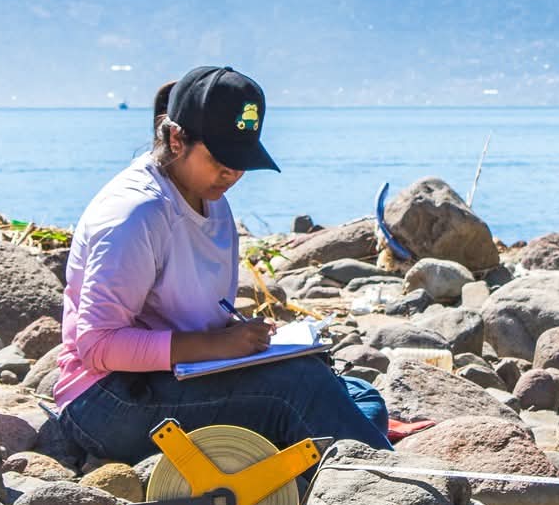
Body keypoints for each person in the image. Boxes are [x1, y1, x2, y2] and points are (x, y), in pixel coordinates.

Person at [54, 65, 395, 463]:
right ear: (177, 138)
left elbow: (184, 313)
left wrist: (240, 336)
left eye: (241, 159)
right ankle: (390, 496)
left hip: (173, 379)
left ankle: (301, 477)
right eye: (221, 157)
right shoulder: (137, 213)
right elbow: (98, 345)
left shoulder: (210, 198)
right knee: (308, 393)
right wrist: (215, 345)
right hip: (108, 401)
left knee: (357, 395)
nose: (232, 173)